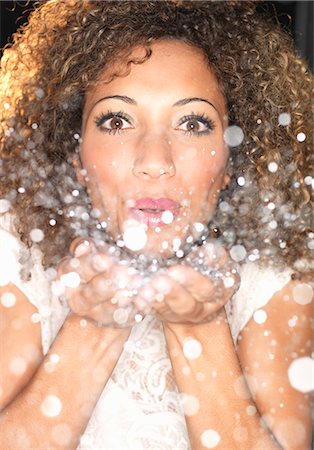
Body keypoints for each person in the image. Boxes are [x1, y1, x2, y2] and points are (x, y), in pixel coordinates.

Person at [0, 1, 312, 449]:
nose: (154, 162)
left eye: (192, 123)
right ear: (76, 158)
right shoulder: (15, 257)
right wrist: (94, 327)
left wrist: (200, 329)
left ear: (230, 162)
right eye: (117, 120)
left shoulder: (282, 275)